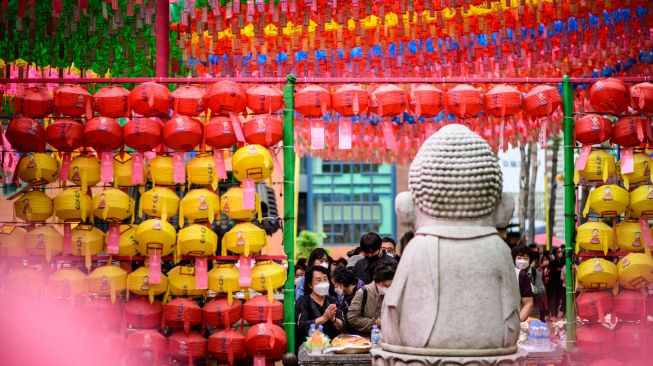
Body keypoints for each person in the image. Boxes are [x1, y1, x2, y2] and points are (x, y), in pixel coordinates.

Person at [295, 266, 344, 341]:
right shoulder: (303, 301)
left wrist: (333, 319)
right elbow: (302, 325)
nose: (323, 283)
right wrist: (324, 318)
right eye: (318, 280)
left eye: (325, 279)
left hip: (333, 345)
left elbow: (342, 327)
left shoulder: (333, 301)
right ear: (310, 285)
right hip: (310, 347)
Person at [347, 262, 396, 336]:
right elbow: (352, 319)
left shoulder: (395, 292)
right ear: (377, 281)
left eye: (391, 286)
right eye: (386, 286)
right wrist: (375, 322)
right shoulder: (364, 292)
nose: (388, 289)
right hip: (369, 338)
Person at [512, 245, 534, 322]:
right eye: (519, 258)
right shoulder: (511, 272)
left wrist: (532, 288)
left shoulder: (532, 273)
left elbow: (528, 304)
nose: (522, 261)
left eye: (525, 258)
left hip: (526, 312)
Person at [547, 247, 565, 320]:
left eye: (560, 251)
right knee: (554, 299)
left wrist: (559, 269)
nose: (560, 253)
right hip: (554, 284)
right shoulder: (552, 262)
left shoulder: (563, 262)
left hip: (562, 283)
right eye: (558, 252)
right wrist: (559, 269)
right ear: (555, 254)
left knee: (561, 299)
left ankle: (560, 312)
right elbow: (552, 272)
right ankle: (554, 313)